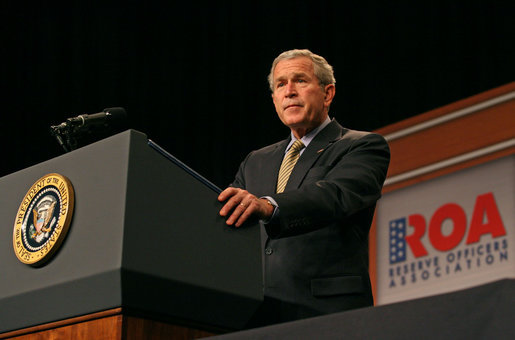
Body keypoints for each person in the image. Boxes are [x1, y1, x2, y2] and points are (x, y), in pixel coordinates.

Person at [218, 49, 390, 326]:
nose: (289, 91)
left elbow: (334, 195)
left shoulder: (362, 145)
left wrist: (269, 206)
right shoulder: (255, 161)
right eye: (280, 84)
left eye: (300, 80)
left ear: (328, 93)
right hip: (256, 316)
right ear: (274, 99)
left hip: (326, 313)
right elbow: (228, 216)